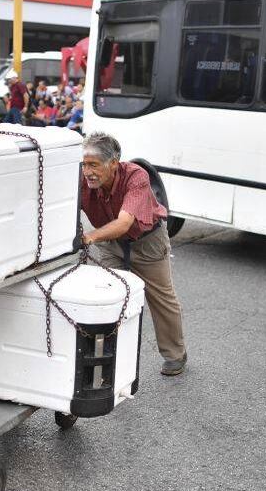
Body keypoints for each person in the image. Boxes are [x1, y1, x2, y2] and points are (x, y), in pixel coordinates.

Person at [80, 133, 187, 376]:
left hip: (147, 240)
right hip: (110, 242)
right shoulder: (80, 179)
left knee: (161, 298)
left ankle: (175, 354)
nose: (87, 171)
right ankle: (107, 358)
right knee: (109, 296)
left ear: (113, 163)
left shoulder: (136, 176)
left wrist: (88, 237)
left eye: (94, 165)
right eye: (85, 164)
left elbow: (124, 222)